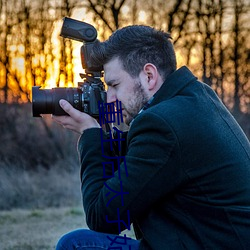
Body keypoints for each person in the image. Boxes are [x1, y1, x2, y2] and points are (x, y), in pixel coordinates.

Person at [52, 25, 250, 249]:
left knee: (76, 244)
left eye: (115, 85)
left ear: (149, 75)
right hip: (215, 240)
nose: (110, 99)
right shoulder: (195, 98)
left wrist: (90, 135)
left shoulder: (161, 124)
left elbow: (103, 219)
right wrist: (101, 132)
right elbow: (145, 156)